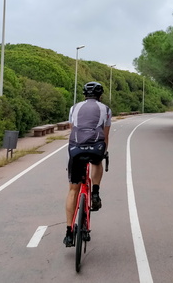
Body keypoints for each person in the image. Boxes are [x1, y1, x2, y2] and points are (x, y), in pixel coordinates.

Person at [63, 81, 112, 247]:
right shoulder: (105, 109)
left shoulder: (74, 108)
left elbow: (72, 130)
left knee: (73, 190)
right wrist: (104, 152)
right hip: (95, 148)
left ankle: (69, 233)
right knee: (97, 161)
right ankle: (96, 192)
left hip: (76, 149)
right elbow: (105, 135)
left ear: (84, 94)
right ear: (100, 95)